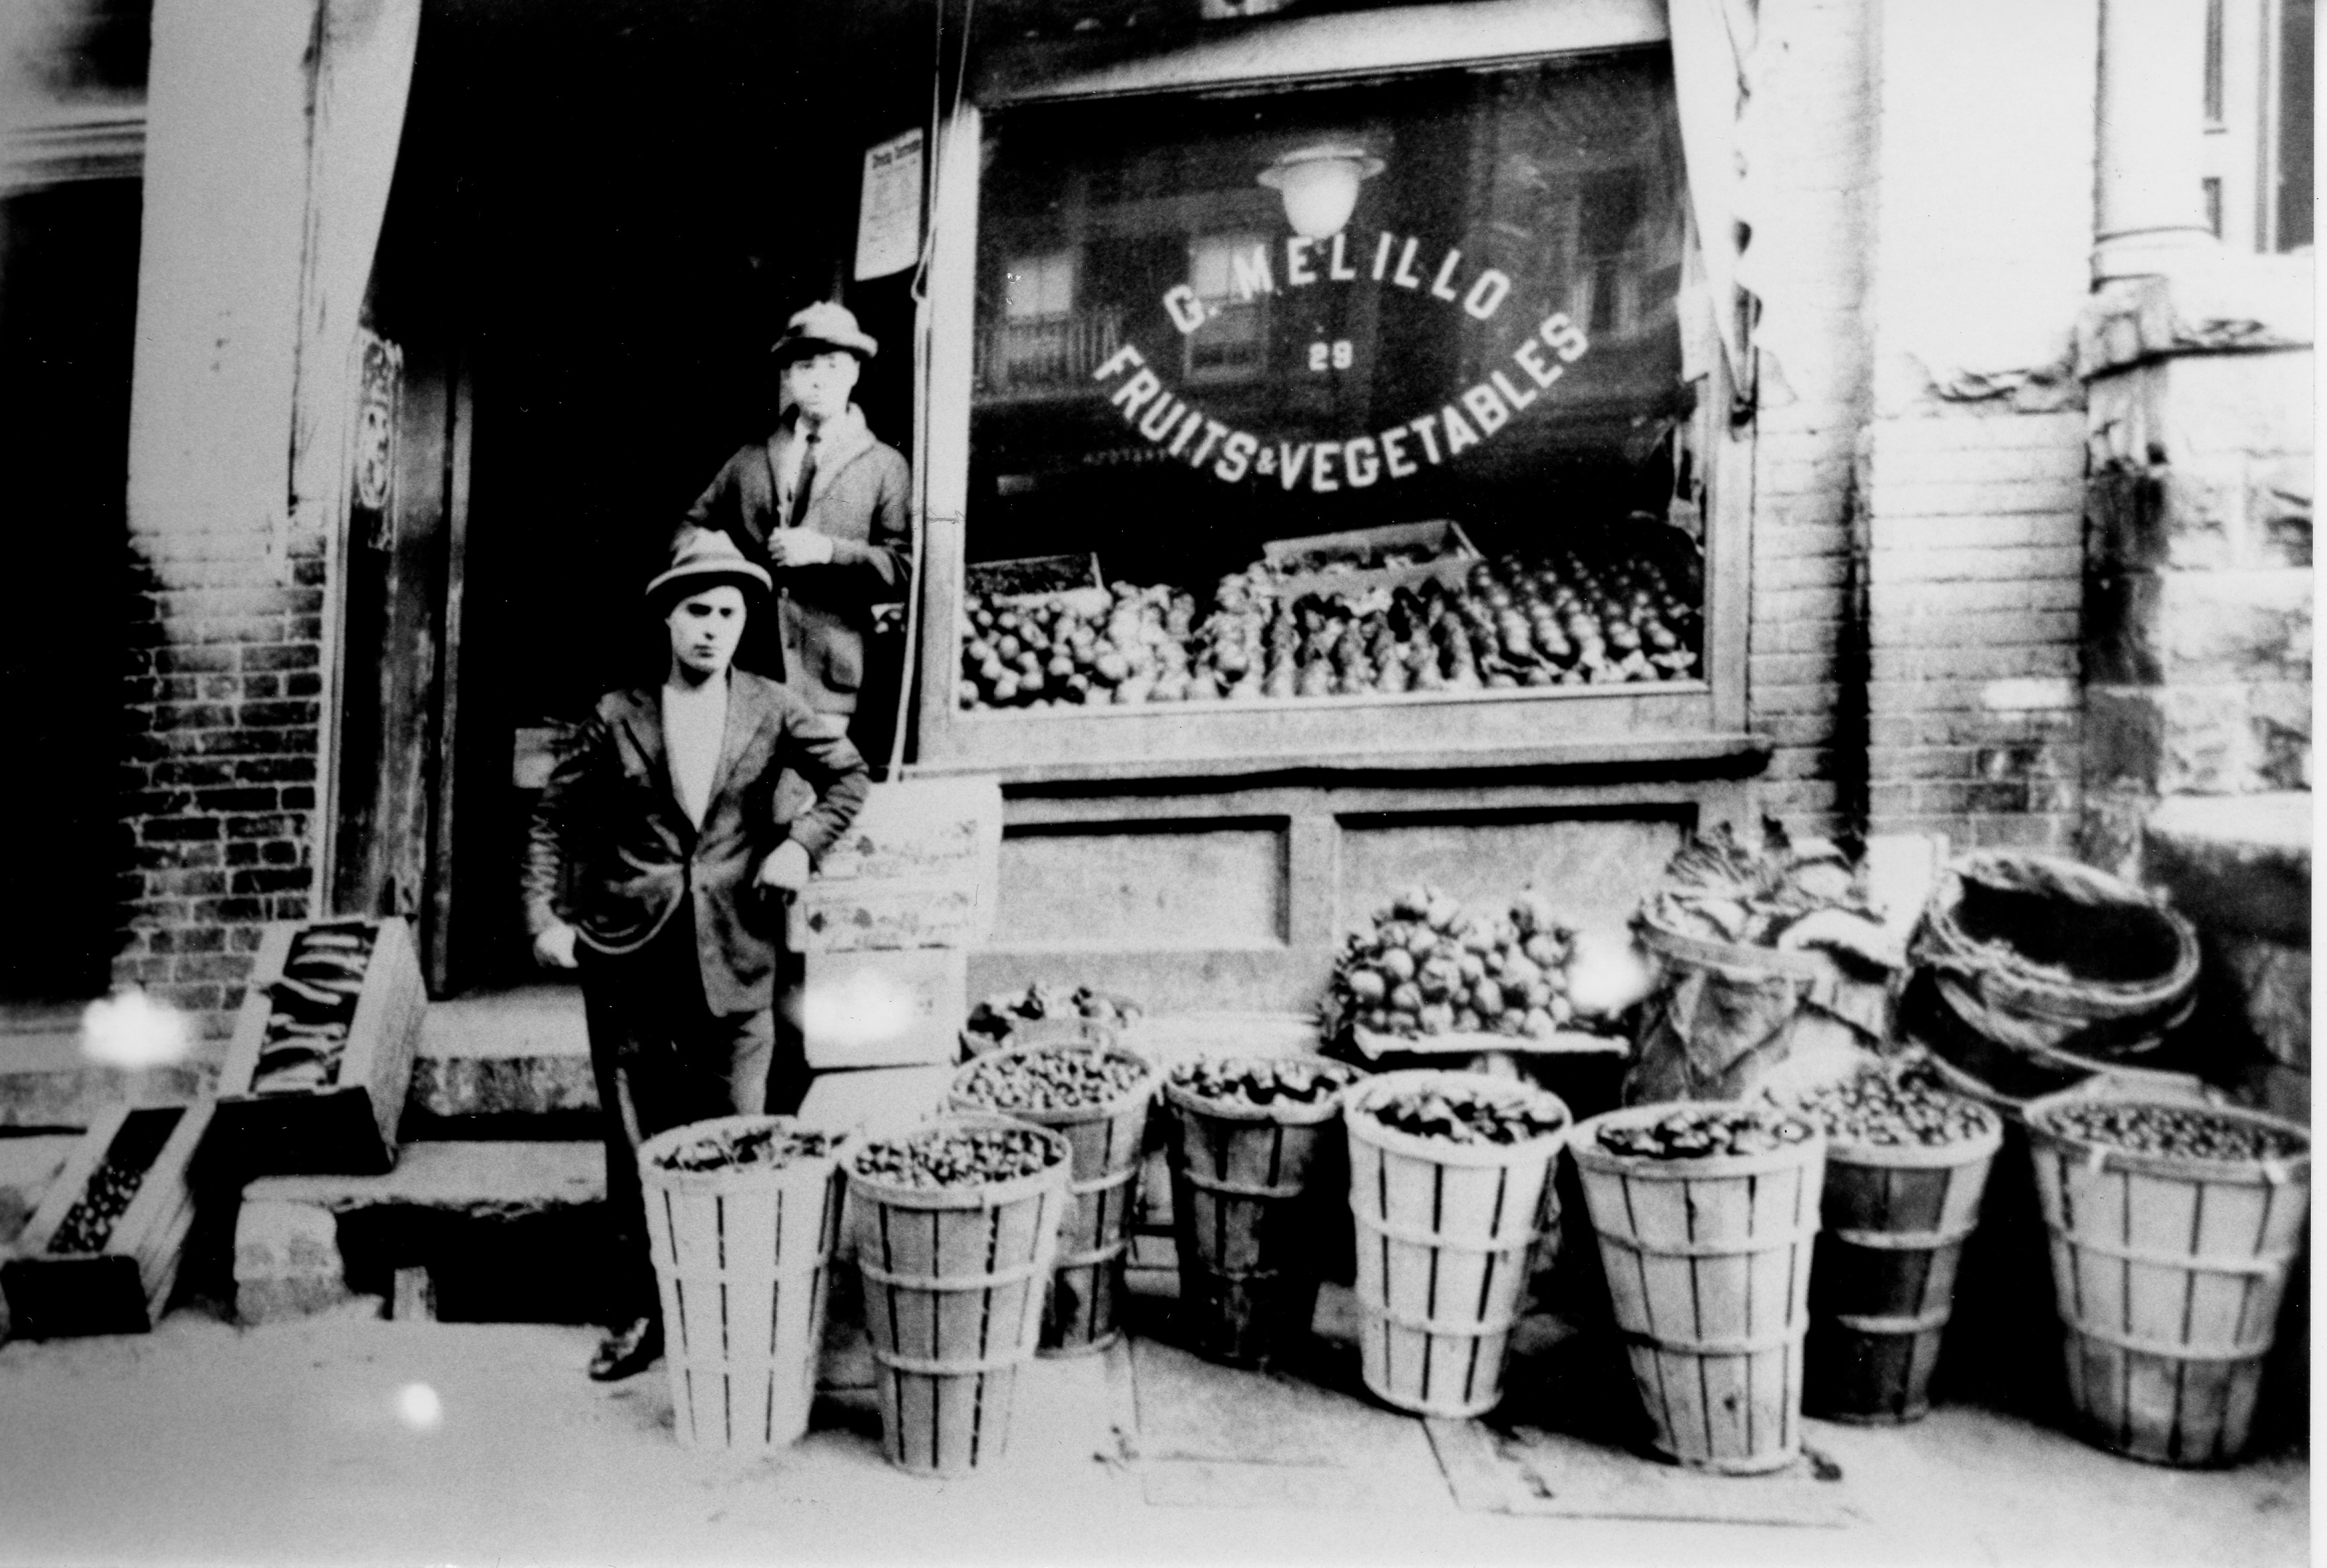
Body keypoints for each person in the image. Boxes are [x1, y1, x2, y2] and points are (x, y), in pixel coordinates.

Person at [524, 527, 871, 1382]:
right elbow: (551, 819)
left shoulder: (773, 706)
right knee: (638, 1142)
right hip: (629, 959)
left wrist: (802, 846)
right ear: (668, 620)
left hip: (738, 956)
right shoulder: (619, 714)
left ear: (744, 622)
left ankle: (732, 1310)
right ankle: (640, 1314)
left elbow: (851, 780)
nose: (712, 627)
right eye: (696, 611)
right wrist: (547, 916)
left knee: (744, 1135)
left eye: (727, 612)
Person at [680, 299, 912, 727]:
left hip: (831, 681)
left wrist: (828, 551)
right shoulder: (750, 459)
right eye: (805, 367)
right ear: (787, 376)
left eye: (832, 366)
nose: (819, 380)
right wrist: (722, 562)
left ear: (855, 373)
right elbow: (690, 527)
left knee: (808, 792)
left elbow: (904, 567)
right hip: (751, 670)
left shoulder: (885, 466)